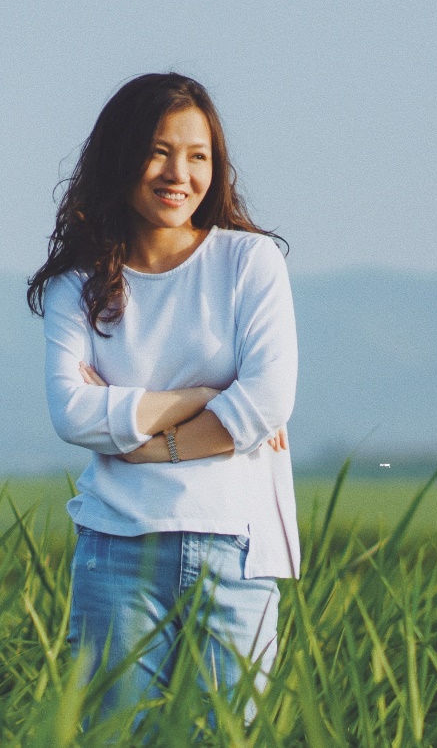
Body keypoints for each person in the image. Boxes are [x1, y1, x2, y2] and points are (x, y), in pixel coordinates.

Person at [25, 72, 300, 727]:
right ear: (120, 157)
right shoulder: (77, 286)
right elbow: (71, 412)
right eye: (158, 150)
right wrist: (205, 397)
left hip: (235, 546)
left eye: (198, 155)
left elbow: (267, 399)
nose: (179, 173)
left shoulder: (249, 263)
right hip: (117, 546)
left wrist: (145, 440)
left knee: (224, 738)